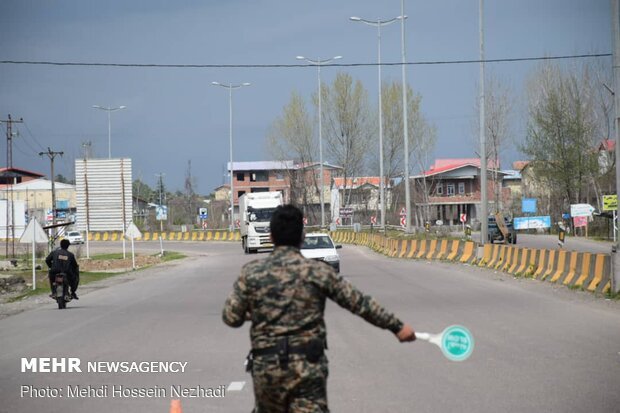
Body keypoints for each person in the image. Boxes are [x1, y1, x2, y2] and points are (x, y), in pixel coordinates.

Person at [222, 205, 416, 412]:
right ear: (302, 237)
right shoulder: (317, 272)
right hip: (307, 367)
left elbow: (231, 317)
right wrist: (397, 327)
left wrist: (257, 312)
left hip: (267, 367)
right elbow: (360, 303)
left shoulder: (252, 272)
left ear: (270, 236)